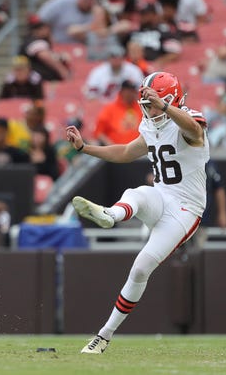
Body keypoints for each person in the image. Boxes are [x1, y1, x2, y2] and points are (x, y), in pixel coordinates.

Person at [65, 71, 209, 354]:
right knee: (139, 193)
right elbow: (125, 153)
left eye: (155, 103)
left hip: (186, 209)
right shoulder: (152, 124)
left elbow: (192, 130)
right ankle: (111, 215)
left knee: (141, 267)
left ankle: (104, 336)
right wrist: (84, 148)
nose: (150, 109)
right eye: (149, 104)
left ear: (172, 100)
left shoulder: (190, 120)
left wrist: (167, 107)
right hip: (162, 196)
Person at [92, 80, 144, 146]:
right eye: (129, 90)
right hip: (117, 152)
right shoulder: (109, 109)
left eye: (133, 90)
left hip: (140, 151)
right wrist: (111, 146)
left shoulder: (141, 107)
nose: (132, 93)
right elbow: (98, 132)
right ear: (122, 91)